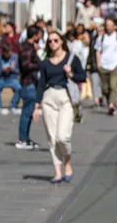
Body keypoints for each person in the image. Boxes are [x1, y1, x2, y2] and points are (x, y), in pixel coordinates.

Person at [33, 31, 86, 183]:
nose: (53, 43)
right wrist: (36, 106)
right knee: (52, 138)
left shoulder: (71, 59)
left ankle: (67, 162)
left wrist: (71, 75)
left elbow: (82, 77)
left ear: (62, 41)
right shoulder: (45, 62)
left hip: (65, 97)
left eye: (56, 40)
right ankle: (57, 171)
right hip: (49, 98)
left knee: (62, 137)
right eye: (49, 41)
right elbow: (41, 84)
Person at [17, 26, 42, 149]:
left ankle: (26, 138)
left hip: (31, 82)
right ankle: (22, 139)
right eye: (40, 34)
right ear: (35, 35)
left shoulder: (29, 47)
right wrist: (39, 64)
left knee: (29, 111)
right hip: (28, 82)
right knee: (27, 111)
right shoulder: (27, 47)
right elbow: (25, 65)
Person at [95, 18, 117, 115]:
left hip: (115, 65)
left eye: (110, 25)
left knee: (113, 86)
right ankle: (110, 102)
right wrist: (98, 63)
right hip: (104, 65)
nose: (108, 27)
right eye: (107, 25)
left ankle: (112, 105)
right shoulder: (101, 37)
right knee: (105, 88)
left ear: (114, 26)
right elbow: (98, 51)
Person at [0, 44, 22, 115]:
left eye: (9, 52)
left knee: (19, 88)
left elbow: (19, 71)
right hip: (1, 78)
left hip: (12, 78)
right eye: (7, 53)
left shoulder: (15, 57)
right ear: (3, 53)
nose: (9, 54)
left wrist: (12, 69)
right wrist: (2, 70)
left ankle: (12, 106)